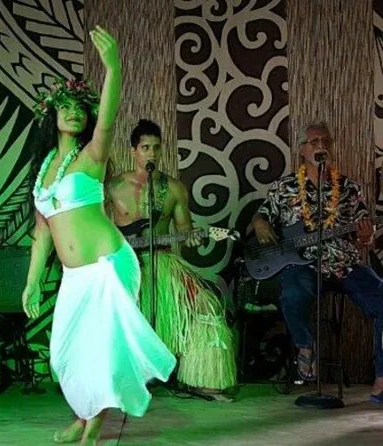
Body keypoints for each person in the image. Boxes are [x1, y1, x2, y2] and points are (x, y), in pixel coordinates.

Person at [21, 27, 176, 445]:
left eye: (80, 108)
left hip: (109, 265)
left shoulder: (92, 156)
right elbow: (42, 231)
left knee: (101, 350)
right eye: (65, 107)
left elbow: (108, 118)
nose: (74, 113)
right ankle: (81, 415)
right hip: (75, 276)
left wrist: (113, 69)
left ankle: (92, 429)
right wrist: (32, 282)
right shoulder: (44, 171)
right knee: (66, 352)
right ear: (52, 115)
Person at [251, 121, 383, 403]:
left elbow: (365, 235)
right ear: (302, 150)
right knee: (293, 293)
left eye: (326, 141)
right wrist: (259, 222)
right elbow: (261, 216)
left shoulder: (348, 188)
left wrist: (366, 237)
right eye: (314, 142)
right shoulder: (284, 187)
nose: (321, 145)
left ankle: (382, 378)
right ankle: (305, 345)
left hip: (343, 262)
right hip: (303, 264)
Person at [108, 119, 237, 401]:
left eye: (156, 147)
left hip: (164, 262)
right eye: (145, 147)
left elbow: (184, 230)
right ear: (133, 151)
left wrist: (191, 238)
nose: (151, 153)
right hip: (124, 265)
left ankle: (204, 379)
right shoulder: (113, 186)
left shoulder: (174, 188)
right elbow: (97, 228)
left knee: (206, 304)